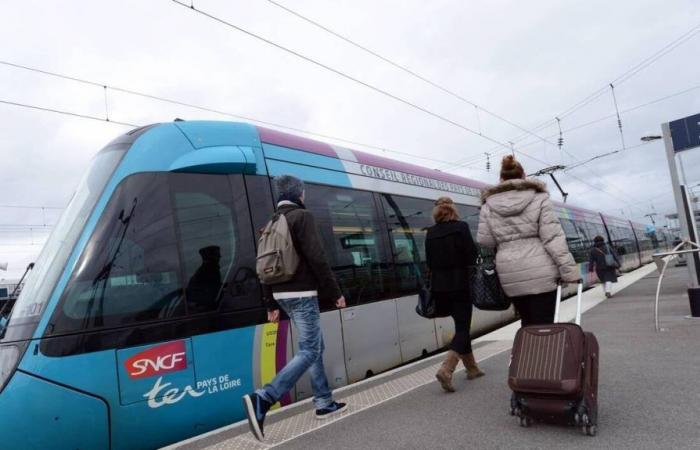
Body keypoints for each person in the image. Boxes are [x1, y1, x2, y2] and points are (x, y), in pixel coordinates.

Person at [242, 175, 347, 442]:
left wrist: (270, 303)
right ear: (300, 193)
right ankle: (264, 398)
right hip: (302, 293)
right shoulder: (302, 217)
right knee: (310, 349)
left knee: (314, 346)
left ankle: (323, 401)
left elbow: (262, 267)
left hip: (281, 295)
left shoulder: (271, 222)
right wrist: (335, 292)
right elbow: (317, 257)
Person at [477, 155, 579, 327]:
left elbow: (485, 241)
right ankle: (545, 354)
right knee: (546, 324)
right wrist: (569, 272)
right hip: (542, 273)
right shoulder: (540, 199)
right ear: (524, 176)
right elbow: (553, 238)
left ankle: (527, 354)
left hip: (510, 275)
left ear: (501, 179)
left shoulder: (488, 206)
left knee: (527, 323)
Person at [425, 197, 483, 393]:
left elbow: (429, 262)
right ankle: (447, 368)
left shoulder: (430, 233)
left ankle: (473, 369)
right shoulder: (461, 227)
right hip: (460, 285)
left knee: (460, 325)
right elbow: (472, 255)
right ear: (453, 210)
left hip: (439, 288)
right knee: (463, 328)